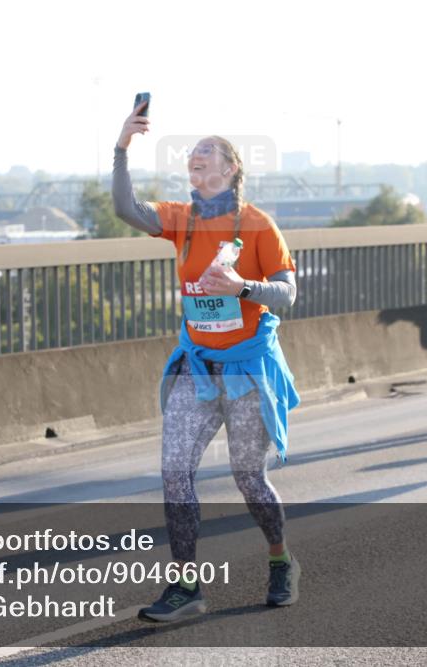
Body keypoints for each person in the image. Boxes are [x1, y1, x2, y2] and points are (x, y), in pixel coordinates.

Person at [112, 102, 301, 620]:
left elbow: (287, 294)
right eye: (191, 155)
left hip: (246, 371)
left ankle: (281, 560)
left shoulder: (259, 225)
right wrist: (122, 148)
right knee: (174, 472)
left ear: (230, 168)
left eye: (205, 153)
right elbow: (127, 209)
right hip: (196, 368)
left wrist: (244, 287)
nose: (193, 159)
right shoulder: (183, 217)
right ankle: (186, 586)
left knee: (249, 480)